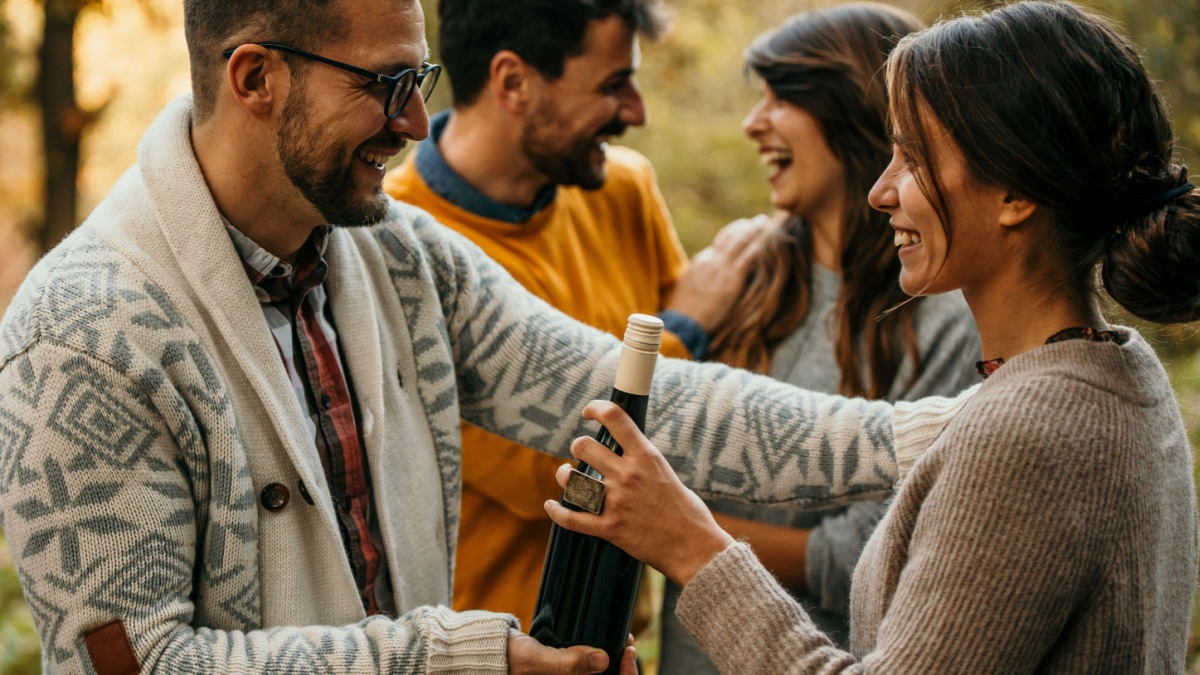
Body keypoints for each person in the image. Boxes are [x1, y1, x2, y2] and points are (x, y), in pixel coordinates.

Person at [0, 0, 929, 671]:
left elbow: (638, 407)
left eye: (422, 81)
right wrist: (459, 656)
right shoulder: (79, 332)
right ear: (255, 78)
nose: (414, 122)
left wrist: (935, 433)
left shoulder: (399, 257)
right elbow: (138, 663)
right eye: (388, 85)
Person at [547, 1, 1199, 671]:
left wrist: (690, 544)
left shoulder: (1029, 432)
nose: (881, 191)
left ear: (1015, 193)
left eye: (913, 158)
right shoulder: (1118, 371)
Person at [383, 0, 754, 631]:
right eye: (613, 85)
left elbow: (699, 426)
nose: (636, 111)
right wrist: (686, 327)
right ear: (513, 82)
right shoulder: (397, 248)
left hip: (617, 646)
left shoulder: (625, 189)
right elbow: (555, 474)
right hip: (493, 654)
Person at [658, 5, 980, 667]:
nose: (753, 122)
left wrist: (670, 529)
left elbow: (876, 547)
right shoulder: (738, 273)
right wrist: (682, 325)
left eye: (781, 98)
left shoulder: (944, 313)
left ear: (850, 111)